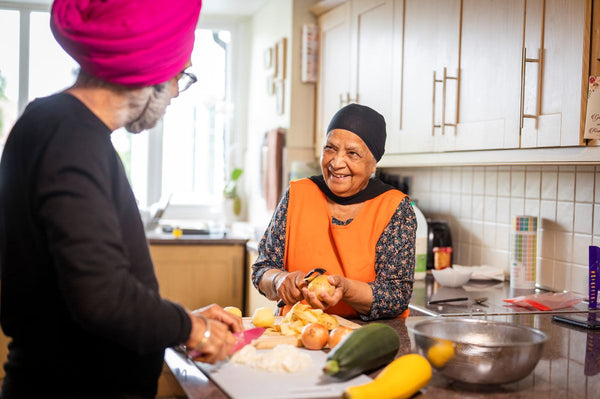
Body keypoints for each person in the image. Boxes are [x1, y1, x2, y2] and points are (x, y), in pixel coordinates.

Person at [0, 1, 243, 397]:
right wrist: (191, 328)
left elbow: (92, 287)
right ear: (153, 73)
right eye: (181, 74)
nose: (178, 91)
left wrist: (177, 320)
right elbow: (103, 297)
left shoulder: (60, 126)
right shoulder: (70, 138)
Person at [252, 103, 416, 321]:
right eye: (330, 148)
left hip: (363, 339)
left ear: (373, 164)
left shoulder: (394, 208)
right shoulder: (298, 195)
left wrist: (346, 290)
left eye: (352, 153)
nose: (337, 162)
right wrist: (278, 281)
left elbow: (396, 296)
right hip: (296, 332)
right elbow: (262, 269)